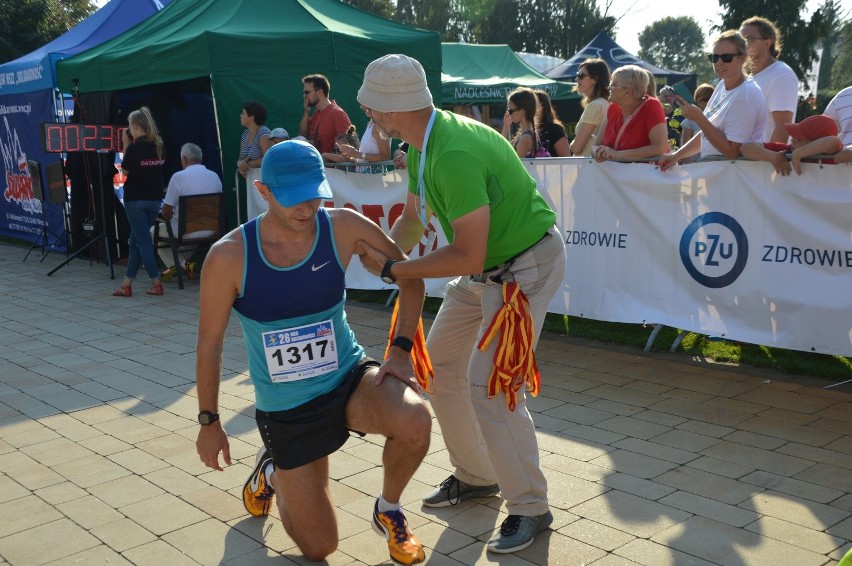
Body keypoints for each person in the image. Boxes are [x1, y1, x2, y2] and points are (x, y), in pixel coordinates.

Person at [356, 54, 566, 554]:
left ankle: (531, 508)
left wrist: (395, 270)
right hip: (487, 271)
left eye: (371, 110)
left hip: (521, 269)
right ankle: (477, 475)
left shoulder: (450, 152)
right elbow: (412, 218)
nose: (369, 118)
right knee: (443, 366)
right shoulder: (424, 142)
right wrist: (378, 247)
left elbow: (467, 250)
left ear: (388, 111)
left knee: (490, 387)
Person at [195, 140, 431, 565]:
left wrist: (400, 350)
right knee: (320, 547)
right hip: (288, 408)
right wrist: (209, 421)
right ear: (263, 191)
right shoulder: (229, 256)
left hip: (347, 378)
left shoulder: (343, 227)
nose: (307, 208)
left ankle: (389, 509)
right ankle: (272, 471)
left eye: (315, 195)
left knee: (415, 418)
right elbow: (209, 343)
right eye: (294, 199)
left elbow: (412, 280)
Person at [661, 31, 767, 169]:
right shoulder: (723, 84)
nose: (719, 62)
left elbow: (732, 152)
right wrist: (676, 156)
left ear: (743, 58)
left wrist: (699, 118)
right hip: (719, 173)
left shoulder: (745, 96)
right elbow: (707, 135)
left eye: (727, 57)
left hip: (736, 178)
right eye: (714, 57)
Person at [113, 107, 166, 297]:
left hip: (135, 200)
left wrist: (126, 145)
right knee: (134, 242)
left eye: (130, 127)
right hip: (154, 199)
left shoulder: (134, 148)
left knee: (143, 242)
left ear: (135, 127)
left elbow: (124, 172)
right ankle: (127, 283)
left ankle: (156, 282)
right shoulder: (158, 145)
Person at [154, 143, 222, 280]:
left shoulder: (178, 177)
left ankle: (181, 265)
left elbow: (166, 212)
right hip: (211, 229)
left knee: (153, 231)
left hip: (185, 230)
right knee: (191, 228)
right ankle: (185, 265)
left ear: (184, 159)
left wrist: (169, 215)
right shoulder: (214, 176)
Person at [592, 64, 669, 163]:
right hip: (614, 176)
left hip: (645, 177)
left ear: (627, 92)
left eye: (613, 84)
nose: (608, 87)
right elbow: (596, 144)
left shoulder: (651, 106)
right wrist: (597, 153)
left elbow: (660, 148)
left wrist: (618, 154)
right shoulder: (613, 107)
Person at [740, 16, 799, 143]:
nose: (742, 46)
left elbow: (782, 128)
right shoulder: (747, 79)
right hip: (744, 161)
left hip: (765, 161)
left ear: (767, 43)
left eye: (748, 39)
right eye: (740, 40)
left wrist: (769, 160)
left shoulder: (781, 74)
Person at [740, 114, 844, 175]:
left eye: (799, 138)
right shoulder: (787, 151)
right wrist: (772, 156)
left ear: (816, 141)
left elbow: (834, 141)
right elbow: (745, 148)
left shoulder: (828, 155)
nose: (792, 140)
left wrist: (799, 153)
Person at [299, 74, 352, 155]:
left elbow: (350, 145)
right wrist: (306, 112)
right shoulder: (317, 113)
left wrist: (328, 157)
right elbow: (303, 134)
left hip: (335, 166)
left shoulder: (337, 113)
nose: (304, 96)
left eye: (307, 92)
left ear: (320, 92)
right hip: (323, 164)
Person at [238, 101, 273, 220]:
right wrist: (240, 165)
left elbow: (268, 158)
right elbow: (240, 159)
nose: (240, 116)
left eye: (243, 113)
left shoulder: (264, 133)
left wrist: (247, 164)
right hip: (251, 186)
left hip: (265, 185)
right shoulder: (244, 135)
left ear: (252, 118)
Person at [570, 58, 610, 157]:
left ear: (594, 79)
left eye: (581, 75)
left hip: (589, 166)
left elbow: (576, 148)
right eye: (577, 75)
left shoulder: (596, 105)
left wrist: (571, 145)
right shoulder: (604, 103)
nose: (576, 79)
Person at [501, 87, 545, 158]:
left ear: (523, 110)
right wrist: (506, 125)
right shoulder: (526, 133)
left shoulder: (525, 138)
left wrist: (506, 126)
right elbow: (502, 147)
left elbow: (515, 166)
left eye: (510, 111)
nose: (508, 114)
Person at [534, 89, 570, 157]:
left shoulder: (555, 129)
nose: (529, 108)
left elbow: (566, 158)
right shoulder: (527, 129)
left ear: (542, 106)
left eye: (533, 104)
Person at [659, 85, 684, 151]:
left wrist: (670, 114)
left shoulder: (680, 112)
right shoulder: (656, 112)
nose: (668, 98)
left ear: (674, 97)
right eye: (665, 96)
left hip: (677, 148)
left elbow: (681, 129)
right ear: (660, 98)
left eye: (670, 95)